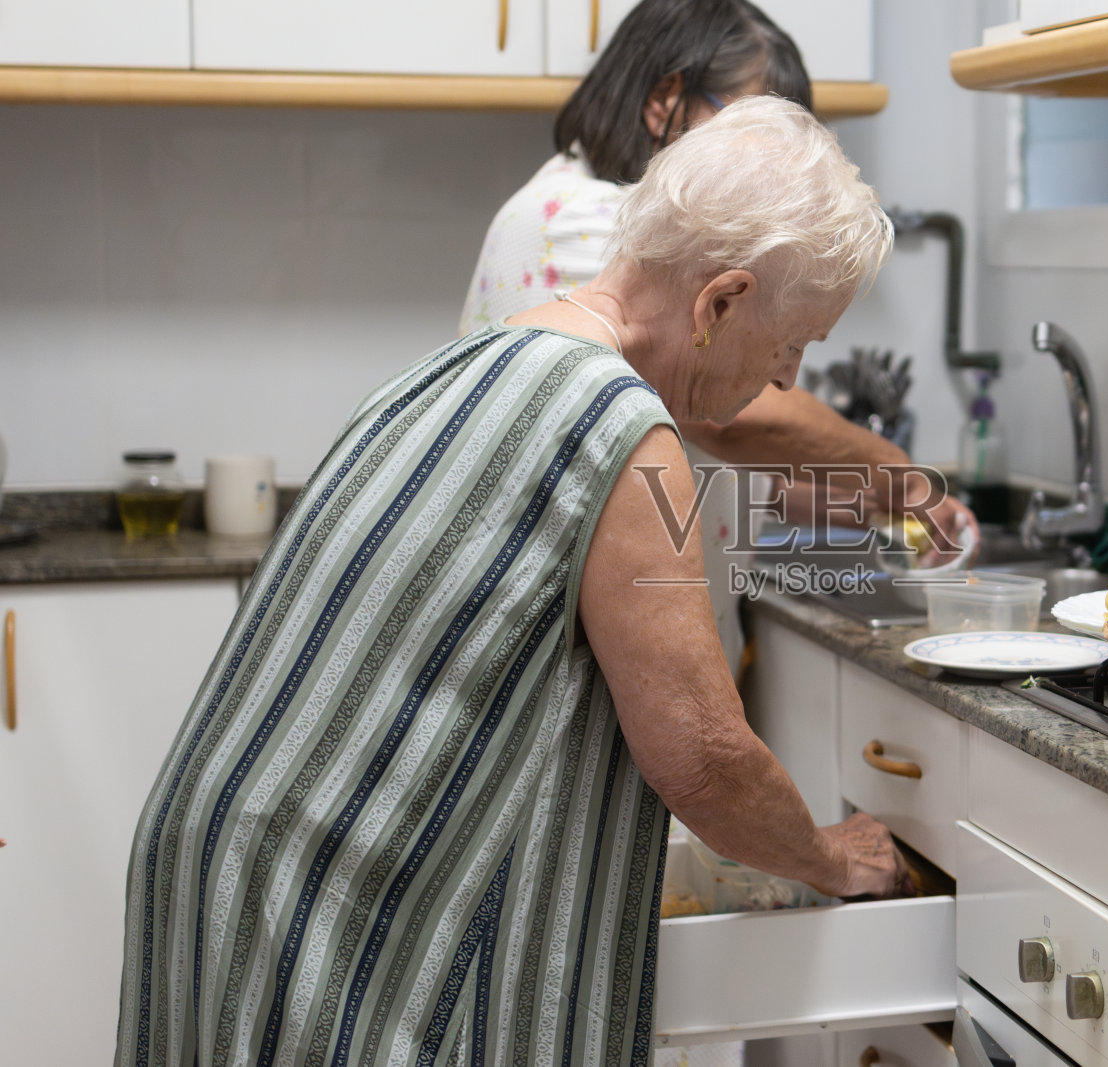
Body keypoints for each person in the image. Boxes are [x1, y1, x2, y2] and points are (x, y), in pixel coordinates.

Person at [117, 96, 905, 1067]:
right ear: (720, 304)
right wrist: (827, 855)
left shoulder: (476, 359)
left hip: (224, 862)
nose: (783, 380)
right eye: (791, 347)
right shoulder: (620, 429)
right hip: (313, 911)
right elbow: (703, 758)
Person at [460, 0, 975, 674]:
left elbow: (697, 453)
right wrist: (899, 474)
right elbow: (733, 417)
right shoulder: (588, 218)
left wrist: (869, 502)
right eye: (746, 130)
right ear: (664, 100)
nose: (770, 165)